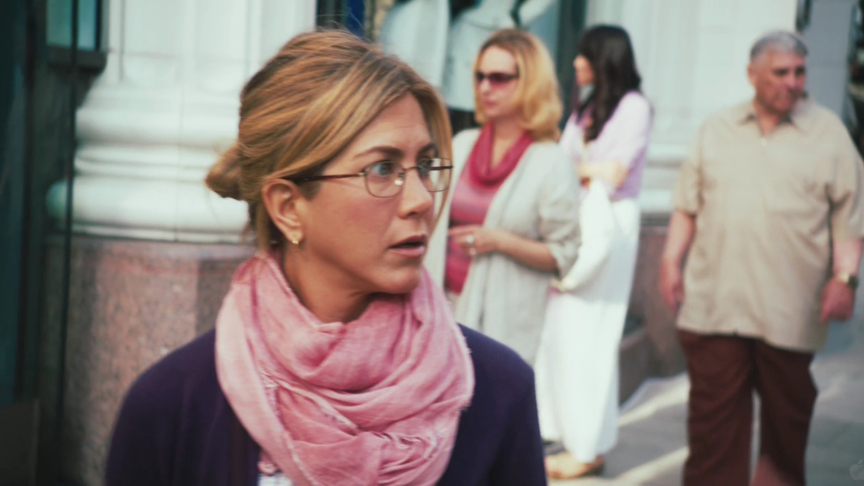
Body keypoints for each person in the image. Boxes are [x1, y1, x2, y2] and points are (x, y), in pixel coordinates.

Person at [105, 30, 547, 486]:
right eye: (382, 169)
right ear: (288, 208)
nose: (421, 199)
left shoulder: (500, 392)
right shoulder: (170, 407)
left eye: (424, 166)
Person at [659, 31, 864, 486]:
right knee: (712, 428)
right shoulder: (717, 128)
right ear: (752, 74)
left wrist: (845, 278)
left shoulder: (829, 134)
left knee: (787, 425)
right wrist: (671, 261)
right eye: (780, 72)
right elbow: (687, 206)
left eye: (799, 72)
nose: (792, 82)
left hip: (789, 310)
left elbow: (850, 218)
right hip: (715, 304)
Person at [534, 25, 652, 480]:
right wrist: (583, 170)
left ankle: (585, 448)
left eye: (584, 55)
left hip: (609, 226)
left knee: (591, 335)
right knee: (565, 334)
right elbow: (567, 163)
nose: (576, 62)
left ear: (604, 58)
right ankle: (577, 439)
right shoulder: (586, 107)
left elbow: (614, 173)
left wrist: (578, 170)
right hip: (581, 220)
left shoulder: (634, 107)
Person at [425, 28, 581, 365]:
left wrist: (500, 241)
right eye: (480, 76)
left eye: (499, 78)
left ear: (530, 83)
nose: (485, 88)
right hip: (438, 314)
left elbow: (564, 254)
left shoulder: (551, 162)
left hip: (503, 327)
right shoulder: (461, 144)